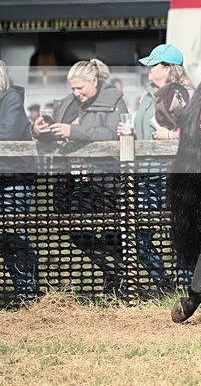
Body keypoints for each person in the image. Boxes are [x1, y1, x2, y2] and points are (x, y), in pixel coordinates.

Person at [31, 59, 128, 294]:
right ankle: (116, 270)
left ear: (94, 81)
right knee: (75, 228)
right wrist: (39, 131)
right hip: (74, 181)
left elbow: (111, 135)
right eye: (72, 88)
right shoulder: (66, 104)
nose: (76, 93)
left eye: (80, 88)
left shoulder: (114, 99)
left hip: (105, 179)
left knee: (111, 234)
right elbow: (55, 137)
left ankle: (115, 286)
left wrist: (73, 131)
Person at [122, 44, 201, 291]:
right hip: (144, 174)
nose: (148, 70)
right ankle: (164, 282)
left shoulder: (188, 94)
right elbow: (145, 128)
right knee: (138, 233)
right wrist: (131, 131)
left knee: (181, 227)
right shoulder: (147, 96)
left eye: (153, 65)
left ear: (169, 68)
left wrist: (172, 136)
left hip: (175, 172)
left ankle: (188, 285)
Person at [0, 61, 40, 305]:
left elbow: (9, 134)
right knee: (5, 238)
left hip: (14, 177)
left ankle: (28, 292)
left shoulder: (11, 98)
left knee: (14, 235)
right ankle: (23, 291)